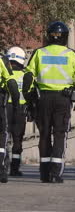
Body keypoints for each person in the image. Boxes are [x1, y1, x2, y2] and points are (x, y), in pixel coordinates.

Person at [23, 21, 75, 183]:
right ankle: (55, 173)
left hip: (42, 99)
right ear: (65, 37)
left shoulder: (39, 53)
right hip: (62, 100)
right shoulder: (71, 54)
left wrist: (29, 100)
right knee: (59, 134)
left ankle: (44, 173)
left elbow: (28, 77)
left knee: (44, 134)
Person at [5, 47, 28, 177]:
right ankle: (15, 168)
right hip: (20, 110)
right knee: (17, 140)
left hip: (5, 108)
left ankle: (3, 165)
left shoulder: (4, 74)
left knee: (4, 137)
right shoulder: (25, 75)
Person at [0, 51, 20, 183]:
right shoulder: (2, 60)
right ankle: (1, 168)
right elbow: (11, 83)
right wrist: (16, 102)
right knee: (2, 133)